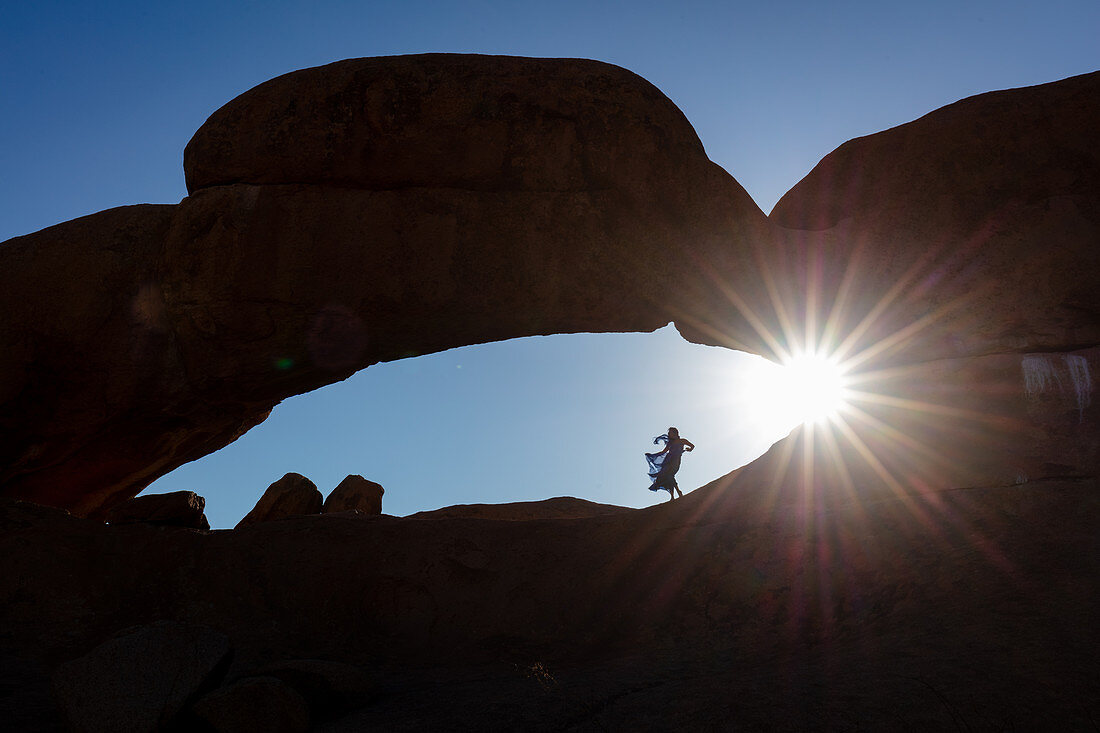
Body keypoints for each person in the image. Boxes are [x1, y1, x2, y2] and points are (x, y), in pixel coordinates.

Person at [645, 427, 695, 501]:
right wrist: (653, 455)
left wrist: (689, 449)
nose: (669, 434)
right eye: (669, 433)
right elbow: (663, 452)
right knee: (668, 477)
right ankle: (673, 495)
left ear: (675, 433)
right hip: (668, 461)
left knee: (670, 475)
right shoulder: (670, 443)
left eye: (670, 432)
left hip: (676, 461)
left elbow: (692, 446)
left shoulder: (682, 441)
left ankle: (677, 492)